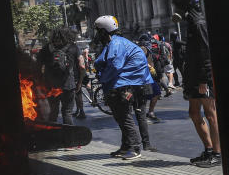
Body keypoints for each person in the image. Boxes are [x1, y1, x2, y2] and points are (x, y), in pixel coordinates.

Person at [172, 0, 221, 167]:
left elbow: (205, 53)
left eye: (177, 5)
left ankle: (217, 153)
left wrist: (203, 80)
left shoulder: (198, 23)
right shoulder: (192, 22)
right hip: (193, 76)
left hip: (202, 77)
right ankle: (208, 149)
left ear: (184, 5)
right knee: (194, 113)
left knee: (210, 114)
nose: (175, 9)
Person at [92, 16, 153, 159]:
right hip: (127, 84)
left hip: (126, 85)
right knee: (120, 116)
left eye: (98, 31)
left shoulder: (116, 44)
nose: (97, 35)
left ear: (104, 31)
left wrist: (102, 78)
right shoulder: (116, 43)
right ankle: (126, 146)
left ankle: (135, 147)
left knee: (124, 116)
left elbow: (114, 66)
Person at [36, 27, 79, 125]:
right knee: (67, 113)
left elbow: (37, 66)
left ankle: (53, 136)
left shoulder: (46, 48)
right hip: (68, 85)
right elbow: (81, 65)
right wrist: (79, 82)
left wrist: (40, 82)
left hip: (51, 86)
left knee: (53, 112)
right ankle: (69, 138)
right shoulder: (72, 47)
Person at [136, 33, 163, 122]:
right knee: (145, 97)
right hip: (144, 78)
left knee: (156, 93)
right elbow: (139, 60)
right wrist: (150, 67)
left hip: (148, 77)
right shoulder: (143, 49)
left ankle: (150, 113)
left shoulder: (147, 49)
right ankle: (144, 117)